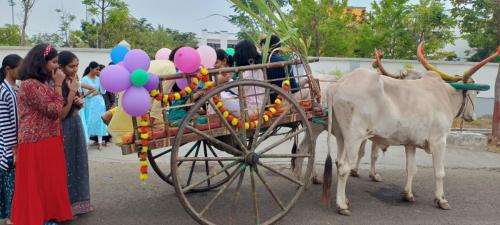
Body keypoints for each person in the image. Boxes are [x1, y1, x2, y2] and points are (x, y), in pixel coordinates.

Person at [11, 43, 73, 225]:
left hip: (49, 139)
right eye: (54, 62)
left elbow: (56, 110)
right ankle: (37, 218)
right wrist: (59, 85)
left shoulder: (41, 83)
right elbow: (53, 110)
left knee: (50, 183)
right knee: (36, 184)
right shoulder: (30, 84)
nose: (56, 66)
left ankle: (48, 216)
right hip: (36, 142)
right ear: (41, 62)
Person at [58, 51, 91, 216]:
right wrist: (72, 93)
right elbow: (62, 114)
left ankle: (81, 203)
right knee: (68, 164)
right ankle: (67, 206)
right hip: (65, 127)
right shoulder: (57, 83)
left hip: (76, 123)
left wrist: (79, 102)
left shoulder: (74, 80)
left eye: (77, 65)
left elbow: (74, 106)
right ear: (61, 66)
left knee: (80, 161)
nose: (75, 69)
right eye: (71, 66)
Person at [0, 54, 22, 225]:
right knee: (10, 186)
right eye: (19, 67)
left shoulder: (14, 89)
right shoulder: (4, 92)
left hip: (12, 146)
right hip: (9, 149)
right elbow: (7, 124)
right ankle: (10, 218)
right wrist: (14, 149)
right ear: (8, 69)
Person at [259, 35, 299, 102]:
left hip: (259, 101)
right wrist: (305, 81)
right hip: (276, 101)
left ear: (264, 45)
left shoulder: (256, 60)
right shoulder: (284, 62)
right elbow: (294, 88)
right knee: (306, 92)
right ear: (279, 47)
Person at [82, 61, 108, 150]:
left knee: (100, 121)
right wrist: (95, 93)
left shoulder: (98, 79)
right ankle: (87, 142)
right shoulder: (84, 79)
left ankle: (100, 143)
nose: (98, 71)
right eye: (96, 69)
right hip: (90, 103)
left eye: (98, 70)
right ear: (91, 69)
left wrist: (103, 80)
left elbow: (103, 91)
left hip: (100, 103)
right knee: (89, 121)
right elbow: (86, 94)